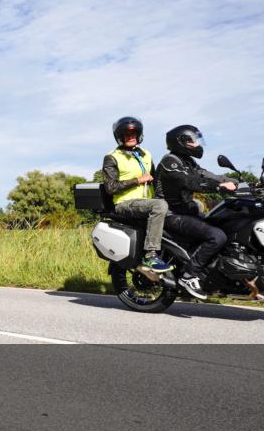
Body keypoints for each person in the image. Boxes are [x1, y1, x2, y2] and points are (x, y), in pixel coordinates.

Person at [156, 125, 238, 300]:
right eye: (192, 141)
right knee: (217, 236)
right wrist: (219, 186)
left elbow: (207, 175)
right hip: (171, 214)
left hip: (187, 212)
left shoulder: (188, 161)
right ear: (181, 142)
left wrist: (238, 182)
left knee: (227, 225)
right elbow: (189, 182)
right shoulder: (170, 161)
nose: (196, 145)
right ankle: (189, 275)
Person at [102, 116, 172, 275]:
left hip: (147, 203)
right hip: (124, 204)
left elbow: (155, 180)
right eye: (126, 134)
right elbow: (110, 188)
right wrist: (138, 180)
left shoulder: (146, 154)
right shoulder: (112, 157)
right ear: (119, 137)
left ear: (139, 135)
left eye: (133, 133)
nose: (130, 137)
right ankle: (151, 255)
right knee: (159, 205)